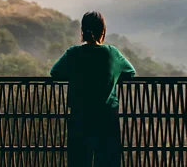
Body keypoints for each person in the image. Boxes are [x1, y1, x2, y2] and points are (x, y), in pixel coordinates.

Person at [50, 11, 136, 167]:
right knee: (108, 161)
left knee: (79, 160)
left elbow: (55, 73)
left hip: (80, 117)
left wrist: (75, 76)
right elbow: (130, 72)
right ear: (103, 31)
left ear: (82, 31)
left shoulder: (73, 53)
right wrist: (112, 78)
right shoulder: (112, 54)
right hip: (107, 118)